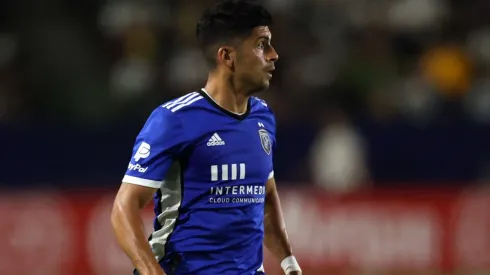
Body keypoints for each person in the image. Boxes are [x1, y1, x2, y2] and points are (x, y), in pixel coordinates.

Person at [111, 1, 301, 274]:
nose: (273, 55)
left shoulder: (263, 117)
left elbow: (265, 195)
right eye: (261, 45)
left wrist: (289, 264)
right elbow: (123, 207)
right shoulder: (174, 119)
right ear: (227, 56)